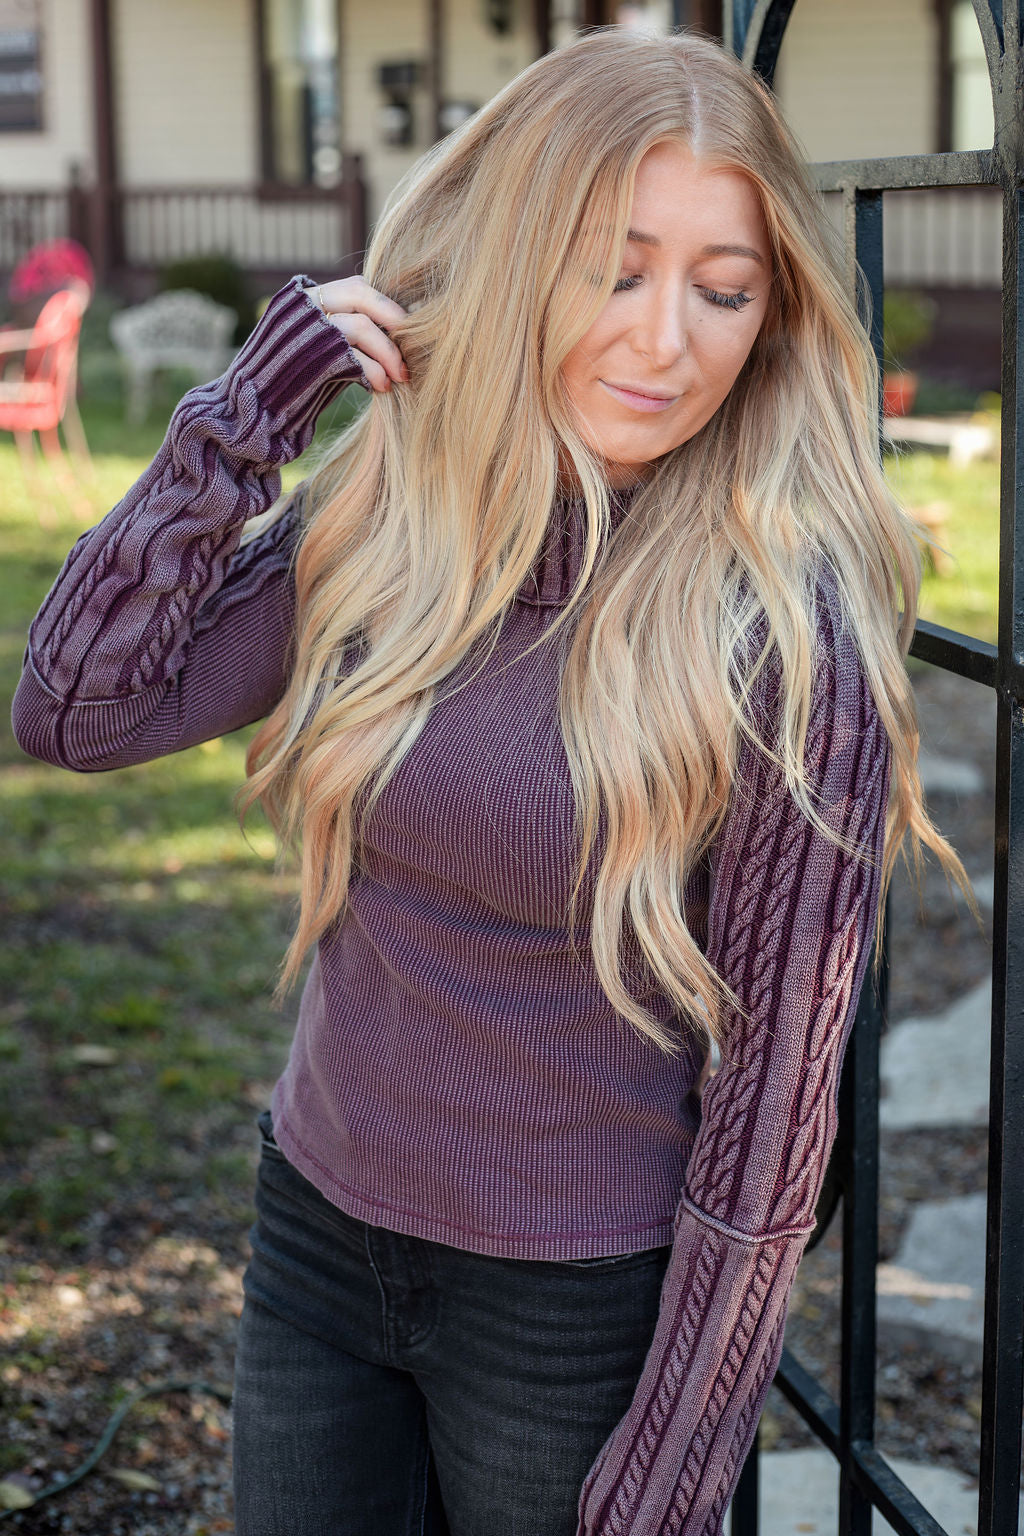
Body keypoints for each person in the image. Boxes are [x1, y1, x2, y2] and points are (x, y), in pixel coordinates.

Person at [12, 27, 972, 1536]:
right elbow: (78, 710)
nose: (668, 343)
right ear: (518, 256)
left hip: (572, 1305)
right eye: (612, 270)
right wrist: (246, 420)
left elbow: (779, 1095)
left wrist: (676, 1462)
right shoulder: (397, 519)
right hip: (317, 1230)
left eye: (724, 291)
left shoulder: (783, 631)